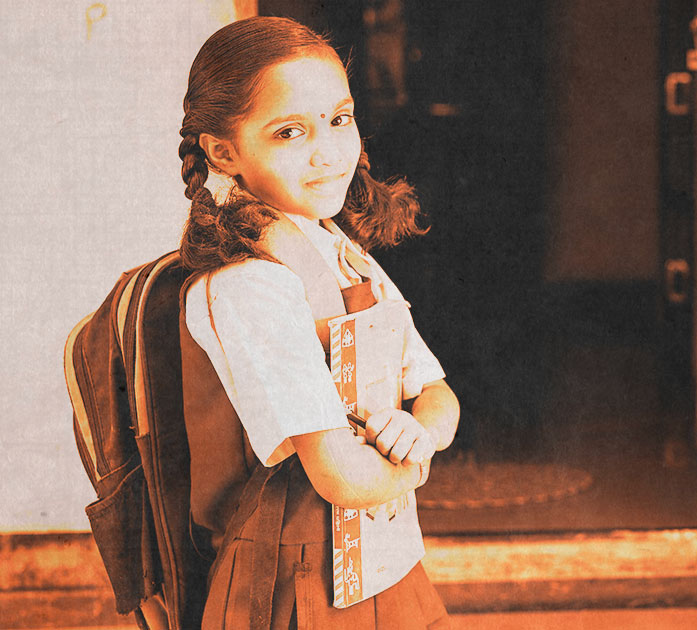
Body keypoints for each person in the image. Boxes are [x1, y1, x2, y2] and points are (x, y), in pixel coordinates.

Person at [176, 16, 458, 629]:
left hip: (381, 558)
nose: (329, 151)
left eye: (340, 118)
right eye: (288, 132)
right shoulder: (249, 285)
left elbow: (436, 392)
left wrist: (420, 432)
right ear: (224, 151)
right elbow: (342, 477)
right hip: (296, 577)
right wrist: (415, 459)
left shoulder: (338, 249)